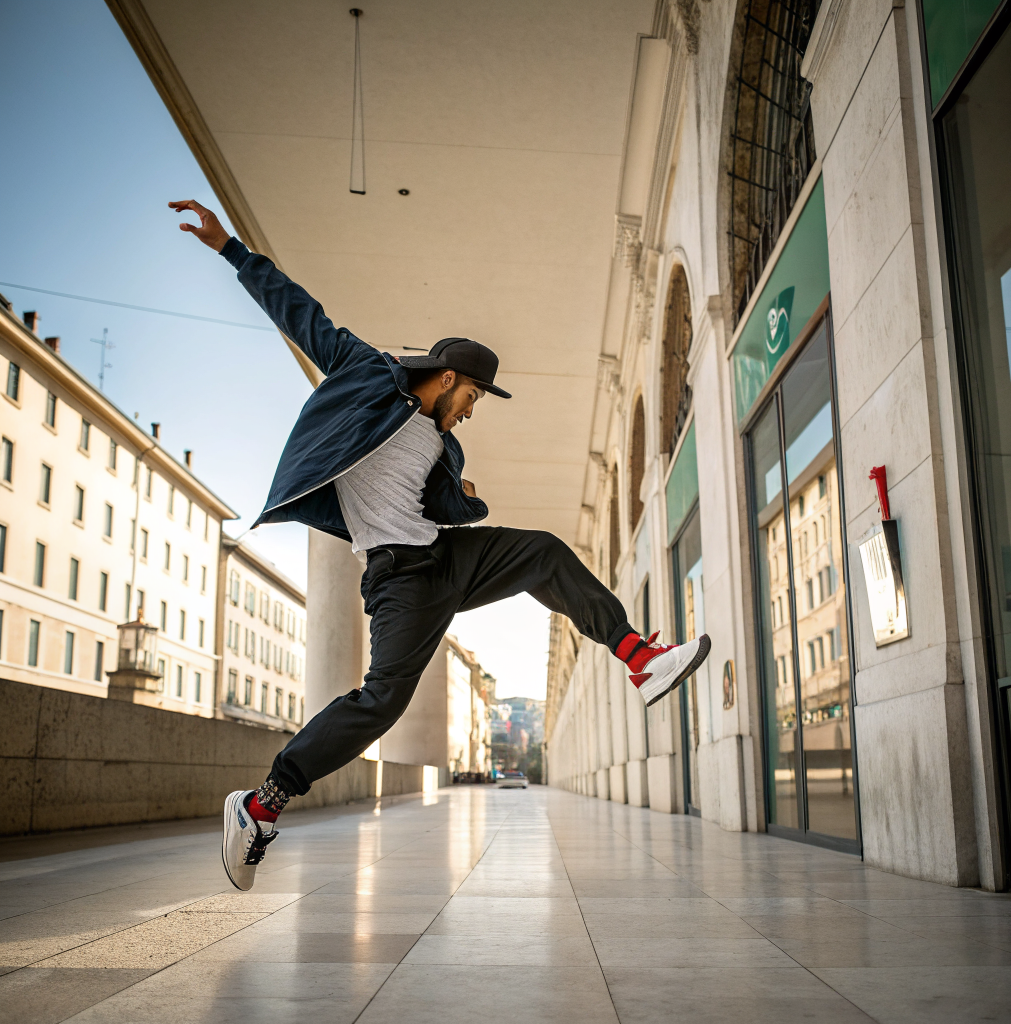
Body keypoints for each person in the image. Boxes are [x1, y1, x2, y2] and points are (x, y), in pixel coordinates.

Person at [169, 199, 712, 892]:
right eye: (473, 397)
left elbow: (445, 507)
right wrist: (230, 249)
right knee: (382, 700)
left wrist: (464, 498)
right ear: (450, 376)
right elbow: (302, 314)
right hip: (401, 578)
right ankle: (261, 803)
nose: (471, 412)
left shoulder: (443, 445)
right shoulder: (365, 373)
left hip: (444, 558)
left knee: (543, 551)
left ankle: (641, 658)